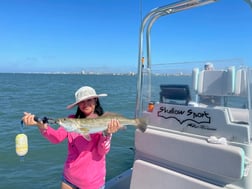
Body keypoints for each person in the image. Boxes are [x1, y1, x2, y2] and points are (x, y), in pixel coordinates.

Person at [22, 86, 120, 189]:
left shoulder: (104, 122)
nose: (85, 104)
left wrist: (107, 134)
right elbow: (56, 138)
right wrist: (41, 126)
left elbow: (102, 151)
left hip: (92, 183)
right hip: (69, 178)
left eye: (89, 100)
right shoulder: (70, 120)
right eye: (82, 101)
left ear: (95, 100)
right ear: (78, 104)